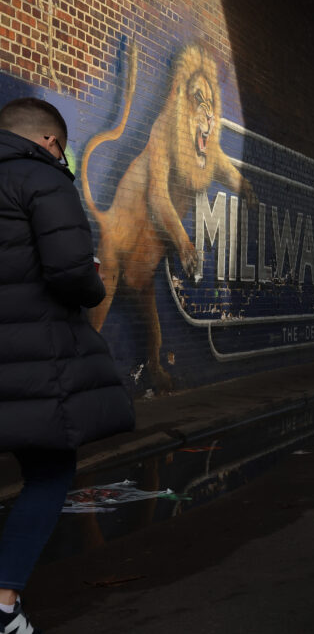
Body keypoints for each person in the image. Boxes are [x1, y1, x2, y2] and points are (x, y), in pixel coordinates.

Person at [0, 98, 134, 632]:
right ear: (51, 143)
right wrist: (92, 277)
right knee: (50, 470)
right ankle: (3, 602)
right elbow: (69, 273)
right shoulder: (44, 179)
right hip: (35, 359)